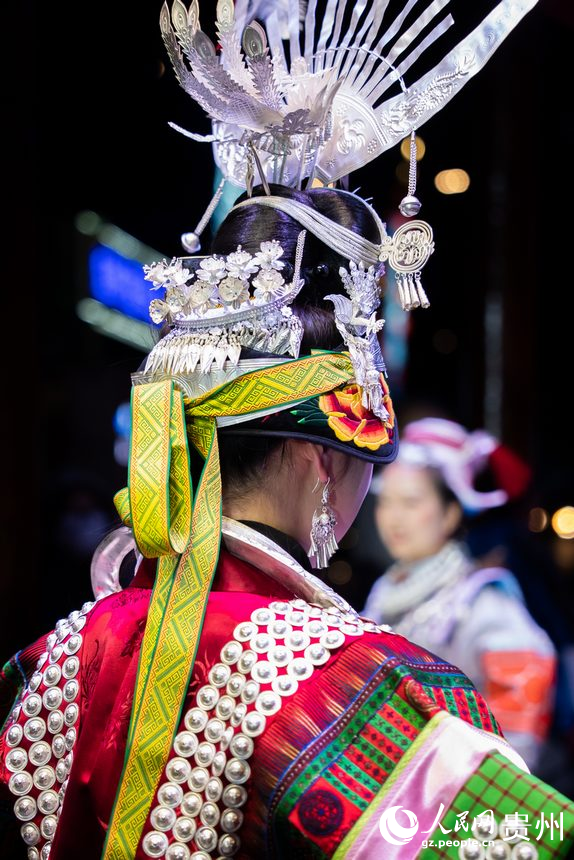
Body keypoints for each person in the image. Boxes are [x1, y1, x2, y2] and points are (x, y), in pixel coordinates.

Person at [2, 2, 573, 859]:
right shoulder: (357, 685)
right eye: (368, 468)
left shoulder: (53, 654)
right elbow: (522, 845)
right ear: (319, 457)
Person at [364, 418, 557, 771]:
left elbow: (523, 714)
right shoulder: (385, 591)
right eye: (385, 502)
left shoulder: (479, 599)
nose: (393, 518)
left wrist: (488, 779)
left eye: (410, 502)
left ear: (451, 513)